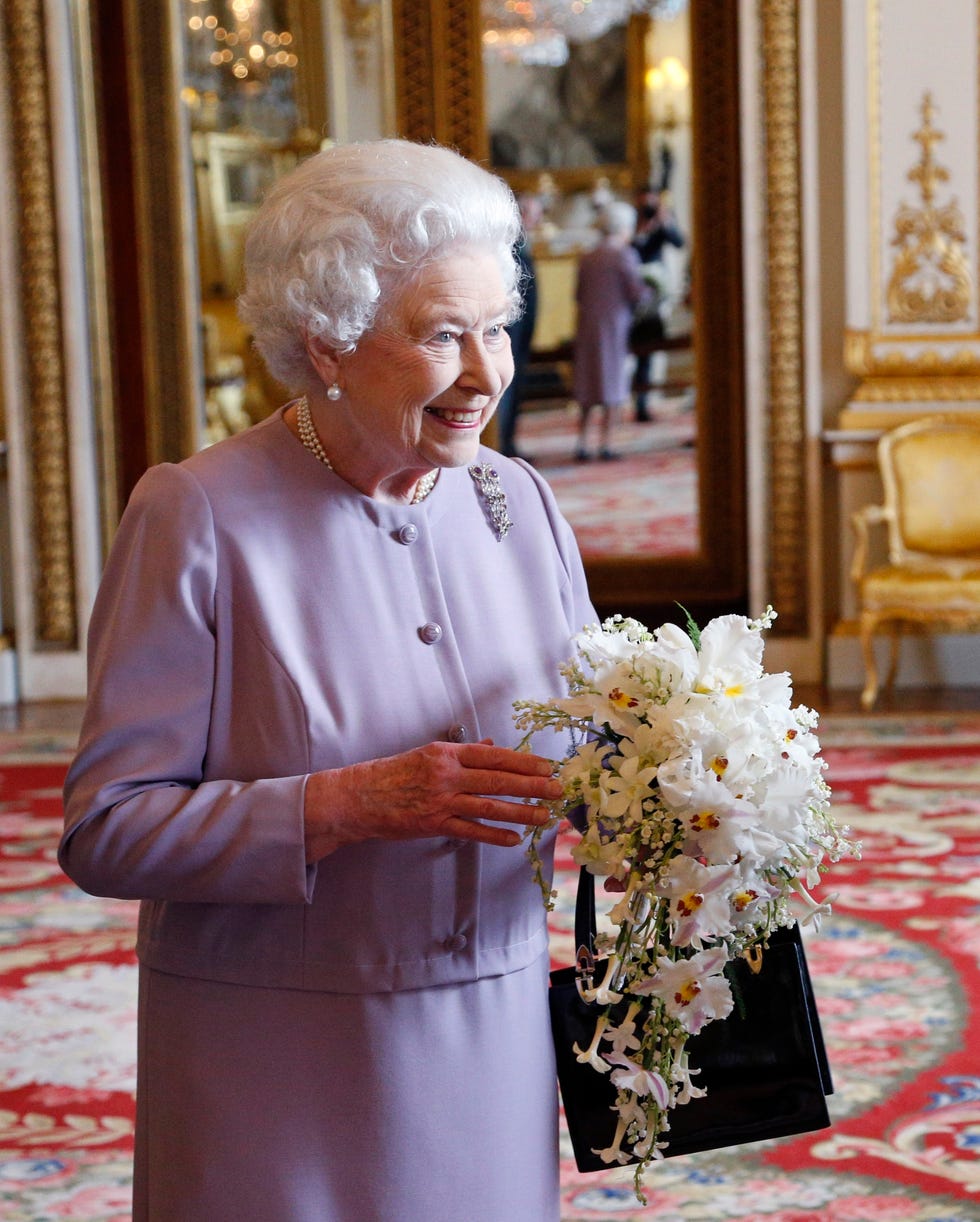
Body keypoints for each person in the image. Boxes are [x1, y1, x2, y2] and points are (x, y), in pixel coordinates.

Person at [59, 139, 595, 1222]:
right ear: (329, 341)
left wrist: (671, 800)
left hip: (489, 1034)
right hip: (280, 1060)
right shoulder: (198, 516)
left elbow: (596, 745)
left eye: (495, 327)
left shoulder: (518, 500)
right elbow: (106, 829)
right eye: (444, 335)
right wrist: (345, 803)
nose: (489, 374)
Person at [572, 199, 651, 460]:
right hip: (615, 328)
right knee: (612, 383)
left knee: (588, 383)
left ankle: (582, 443)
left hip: (587, 326)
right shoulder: (623, 255)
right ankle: (606, 444)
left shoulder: (587, 256)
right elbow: (637, 293)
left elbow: (579, 294)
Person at [631, 187, 685, 421]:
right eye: (645, 205)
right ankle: (629, 399)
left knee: (649, 349)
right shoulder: (632, 224)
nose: (648, 209)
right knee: (631, 351)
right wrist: (640, 231)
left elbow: (679, 242)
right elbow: (630, 251)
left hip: (654, 296)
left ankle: (642, 404)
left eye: (651, 205)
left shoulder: (660, 223)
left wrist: (665, 221)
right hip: (631, 293)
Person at [496, 192, 541, 460]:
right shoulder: (508, 250)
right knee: (505, 394)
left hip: (521, 336)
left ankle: (508, 444)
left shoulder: (523, 246)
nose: (535, 220)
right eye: (532, 214)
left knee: (514, 393)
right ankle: (500, 445)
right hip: (508, 336)